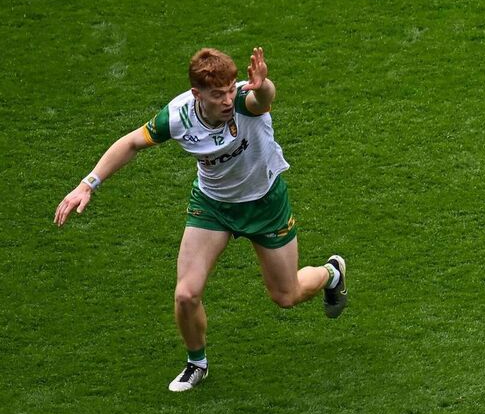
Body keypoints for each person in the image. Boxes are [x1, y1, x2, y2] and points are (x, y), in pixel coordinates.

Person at [54, 47, 348, 392]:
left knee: (286, 295)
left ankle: (332, 273)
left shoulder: (244, 100)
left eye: (230, 89)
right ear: (197, 94)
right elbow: (132, 142)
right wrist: (88, 184)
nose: (227, 99)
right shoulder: (178, 116)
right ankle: (197, 363)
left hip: (264, 204)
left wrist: (264, 84)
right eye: (218, 94)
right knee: (185, 294)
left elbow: (263, 100)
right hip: (212, 206)